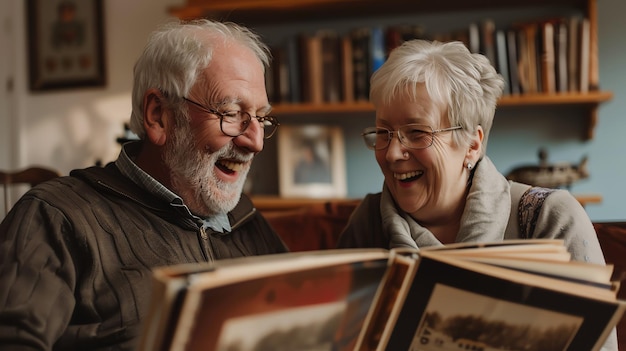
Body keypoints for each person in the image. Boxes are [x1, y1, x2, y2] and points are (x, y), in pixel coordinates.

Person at [0, 19, 288, 350]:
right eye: (231, 113)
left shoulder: (247, 220)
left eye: (261, 118)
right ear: (158, 115)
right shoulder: (56, 217)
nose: (256, 142)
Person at [335, 39, 617, 350]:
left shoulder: (549, 219)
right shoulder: (367, 224)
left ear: (472, 144)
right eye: (384, 133)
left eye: (417, 132)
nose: (392, 154)